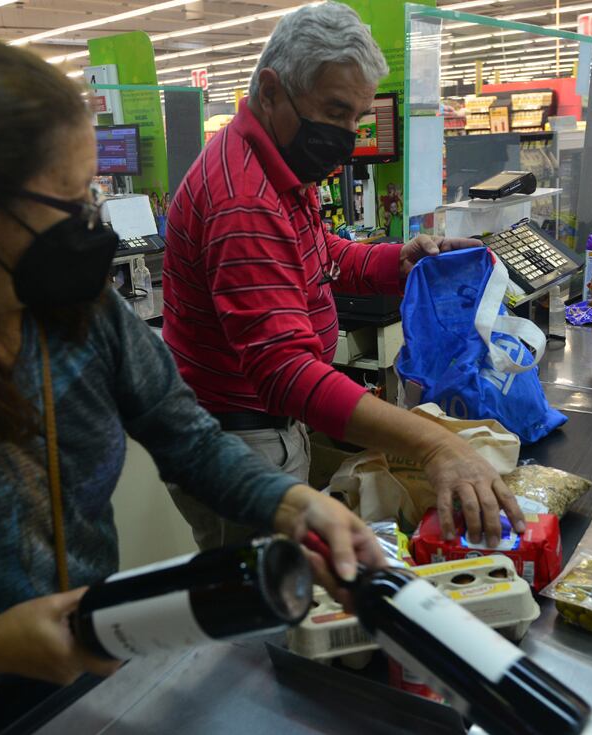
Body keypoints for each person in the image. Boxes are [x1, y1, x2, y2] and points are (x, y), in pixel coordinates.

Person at [0, 37, 383, 735]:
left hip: (92, 687)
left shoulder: (77, 313)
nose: (89, 225)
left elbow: (186, 435)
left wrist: (291, 501)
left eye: (91, 194)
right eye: (70, 202)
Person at [163, 2, 524, 552]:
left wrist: (396, 263)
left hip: (264, 428)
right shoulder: (242, 199)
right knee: (269, 606)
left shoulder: (275, 161)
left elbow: (317, 252)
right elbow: (285, 373)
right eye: (334, 112)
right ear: (270, 90)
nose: (347, 135)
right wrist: (436, 445)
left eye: (356, 118)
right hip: (241, 438)